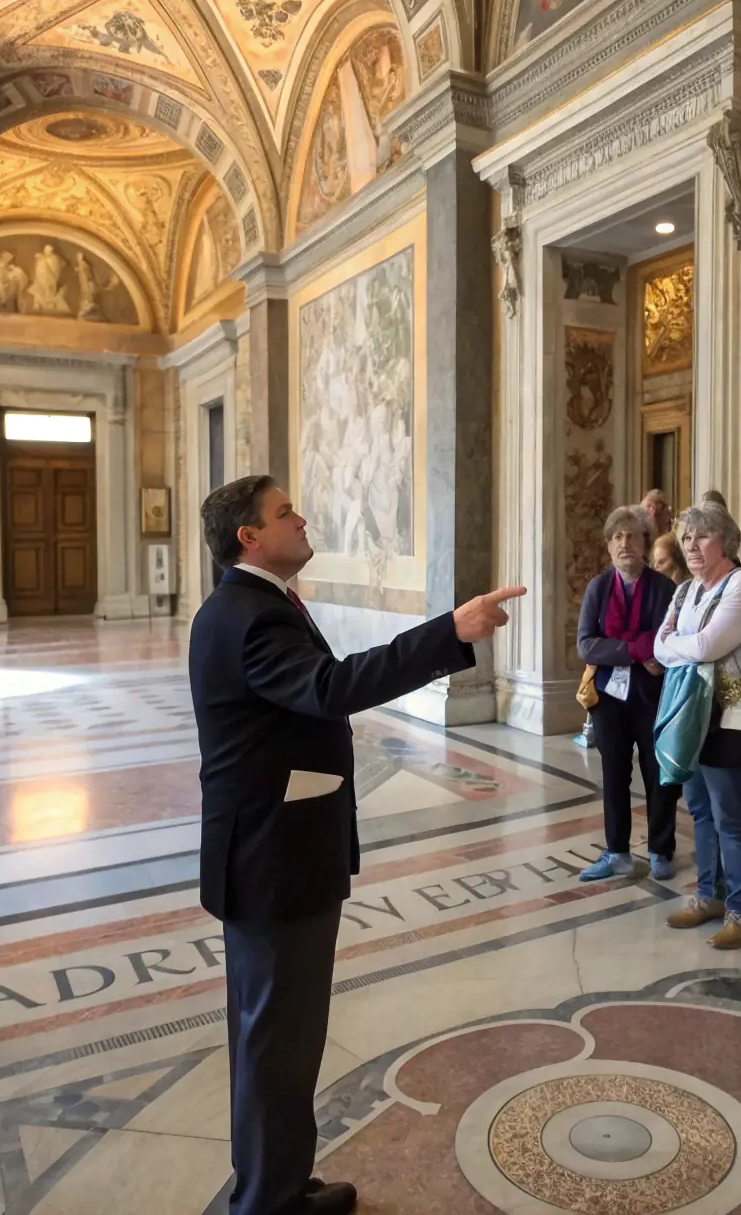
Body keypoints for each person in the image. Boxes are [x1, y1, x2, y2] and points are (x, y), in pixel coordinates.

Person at [189, 475, 524, 1215]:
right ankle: (269, 1203)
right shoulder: (251, 616)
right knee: (280, 1041)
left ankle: (272, 1180)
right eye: (284, 513)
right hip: (276, 862)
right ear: (249, 537)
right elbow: (332, 687)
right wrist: (449, 632)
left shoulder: (245, 604)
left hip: (264, 854)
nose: (301, 518)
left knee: (270, 1040)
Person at [656, 502, 741, 948]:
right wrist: (679, 646)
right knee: (700, 811)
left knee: (731, 818)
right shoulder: (685, 591)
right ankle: (707, 894)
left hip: (733, 720)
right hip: (691, 717)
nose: (692, 546)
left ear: (725, 542)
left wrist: (677, 645)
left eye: (702, 536)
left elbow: (707, 645)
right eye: (686, 538)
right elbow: (658, 644)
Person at [577, 505, 680, 882]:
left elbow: (666, 638)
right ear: (608, 547)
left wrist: (627, 646)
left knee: (658, 774)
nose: (625, 543)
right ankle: (617, 852)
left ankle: (661, 849)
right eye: (617, 537)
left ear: (644, 544)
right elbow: (587, 646)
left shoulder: (663, 588)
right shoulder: (598, 588)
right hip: (608, 699)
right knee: (614, 773)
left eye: (632, 536)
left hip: (653, 696)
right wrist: (640, 650)